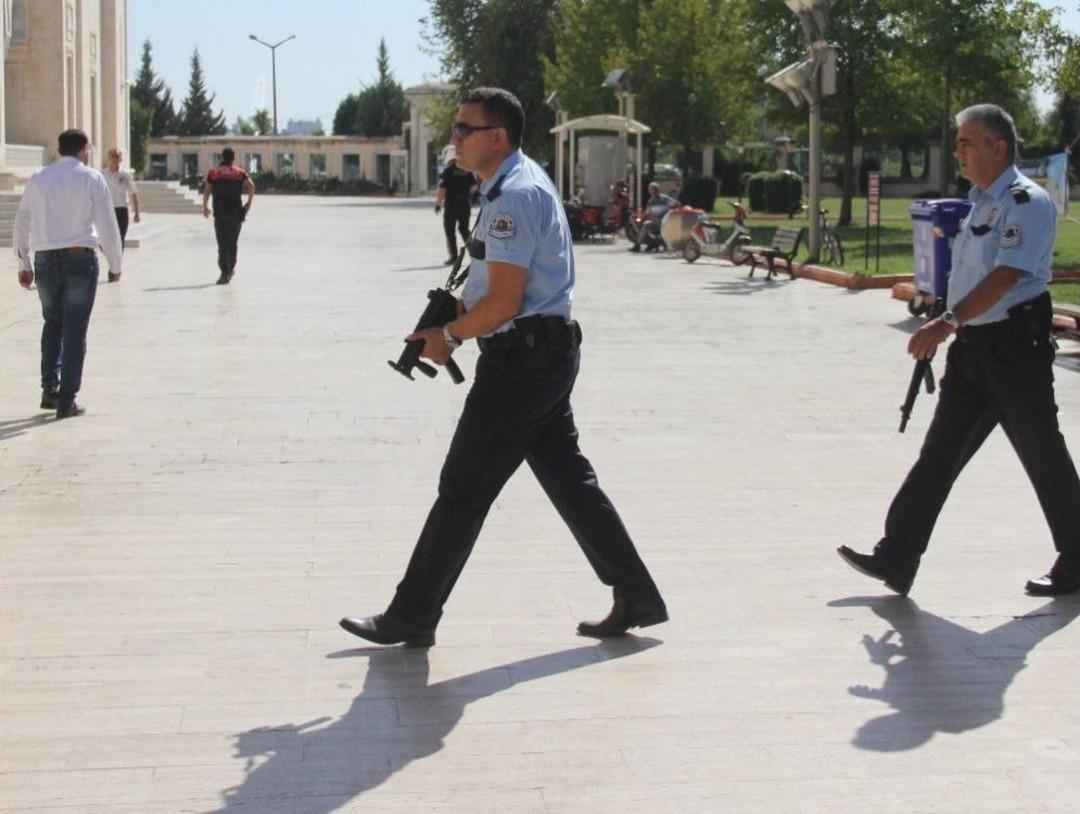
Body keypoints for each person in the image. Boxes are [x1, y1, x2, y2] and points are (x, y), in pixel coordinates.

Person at [340, 87, 667, 647]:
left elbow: (505, 303)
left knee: (463, 489)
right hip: (542, 356)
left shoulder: (514, 195)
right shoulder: (512, 185)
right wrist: (455, 314)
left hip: (521, 366)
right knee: (571, 482)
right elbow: (497, 289)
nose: (454, 139)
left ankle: (412, 614)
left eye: (464, 129)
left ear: (497, 137)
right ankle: (637, 595)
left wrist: (449, 336)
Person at [838, 104, 1080, 598]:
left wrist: (947, 321)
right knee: (940, 452)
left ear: (999, 147)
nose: (959, 152)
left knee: (1041, 451)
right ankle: (898, 555)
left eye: (968, 143)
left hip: (1014, 346)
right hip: (974, 346)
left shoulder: (1025, 202)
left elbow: (1006, 275)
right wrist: (950, 319)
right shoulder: (981, 203)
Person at [13, 129, 123, 419]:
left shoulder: (38, 178)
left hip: (45, 260)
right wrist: (115, 264)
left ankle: (50, 389)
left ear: (60, 149)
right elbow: (107, 224)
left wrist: (24, 262)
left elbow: (22, 220)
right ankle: (66, 400)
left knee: (52, 324)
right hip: (79, 260)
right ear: (83, 150)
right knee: (75, 331)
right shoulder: (91, 178)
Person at [202, 147, 255, 285]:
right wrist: (249, 203)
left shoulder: (214, 173)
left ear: (222, 157)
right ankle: (230, 269)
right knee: (232, 243)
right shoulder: (240, 172)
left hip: (220, 214)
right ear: (233, 158)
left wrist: (205, 206)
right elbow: (251, 186)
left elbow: (207, 190)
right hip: (236, 214)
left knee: (222, 244)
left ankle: (224, 273)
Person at [101, 147, 140, 282]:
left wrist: (137, 212)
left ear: (120, 159)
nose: (115, 159)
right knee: (104, 240)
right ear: (108, 158)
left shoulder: (125, 175)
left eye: (117, 156)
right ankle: (113, 262)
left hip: (121, 210)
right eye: (113, 156)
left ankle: (115, 269)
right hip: (107, 210)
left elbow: (133, 193)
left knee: (119, 239)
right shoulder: (102, 175)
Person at [435, 148, 476, 265]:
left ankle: (453, 257)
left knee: (450, 231)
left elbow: (442, 188)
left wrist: (438, 204)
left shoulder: (448, 171)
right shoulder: (467, 170)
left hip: (451, 205)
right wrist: (465, 194)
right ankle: (475, 255)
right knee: (464, 230)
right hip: (465, 205)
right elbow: (474, 186)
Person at [630, 182, 676, 253]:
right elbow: (648, 213)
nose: (653, 192)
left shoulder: (664, 199)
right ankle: (650, 243)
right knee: (641, 225)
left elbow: (676, 204)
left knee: (646, 225)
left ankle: (639, 245)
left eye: (654, 190)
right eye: (651, 190)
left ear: (658, 190)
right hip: (655, 221)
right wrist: (639, 219)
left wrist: (670, 211)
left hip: (665, 221)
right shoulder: (651, 201)